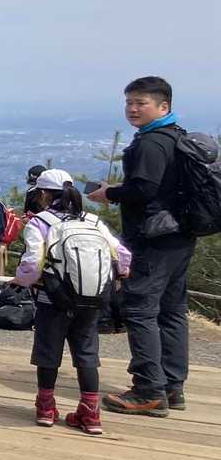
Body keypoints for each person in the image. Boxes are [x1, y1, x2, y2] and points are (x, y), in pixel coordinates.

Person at [88, 76, 196, 416]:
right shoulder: (177, 137)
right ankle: (172, 386)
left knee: (140, 309)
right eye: (129, 102)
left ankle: (149, 390)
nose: (132, 109)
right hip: (179, 235)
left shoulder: (151, 142)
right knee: (172, 310)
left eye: (141, 103)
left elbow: (145, 190)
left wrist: (110, 193)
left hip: (153, 238)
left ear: (163, 106)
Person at [21, 169, 130, 435]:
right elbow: (123, 254)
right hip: (91, 298)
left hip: (52, 298)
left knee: (48, 352)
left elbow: (33, 263)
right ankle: (90, 414)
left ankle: (46, 409)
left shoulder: (40, 222)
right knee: (87, 354)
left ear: (43, 194)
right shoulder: (93, 221)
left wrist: (21, 280)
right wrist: (118, 276)